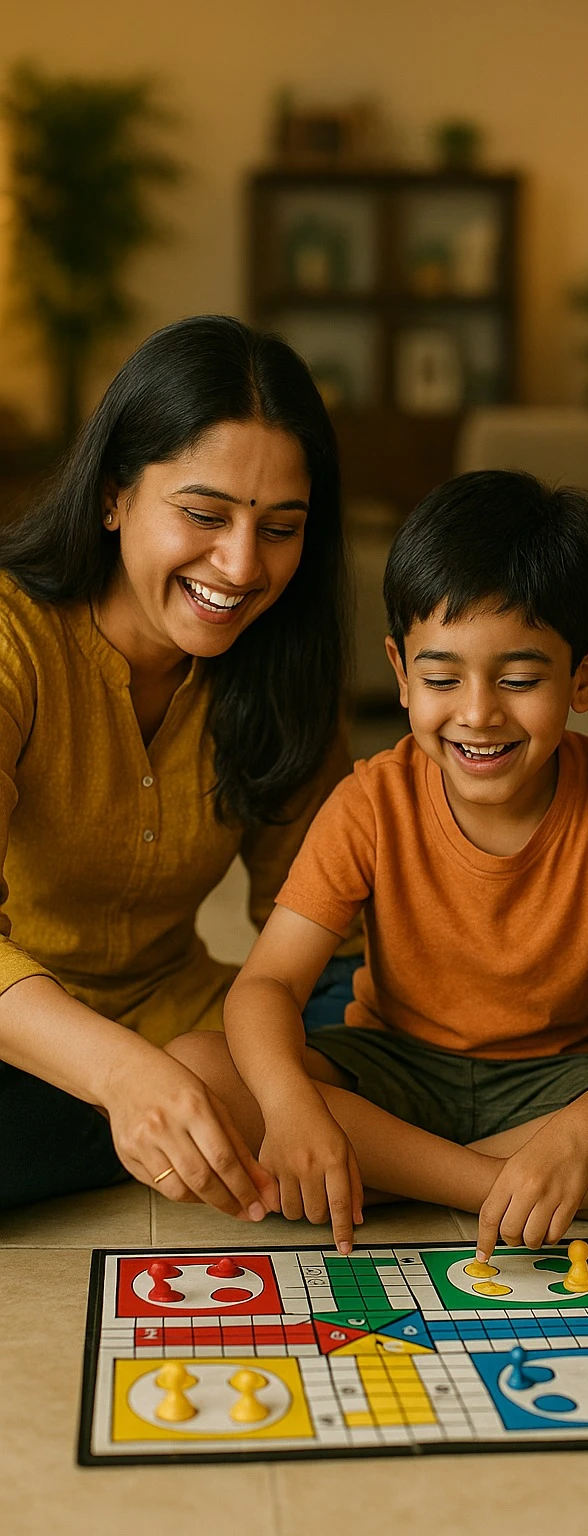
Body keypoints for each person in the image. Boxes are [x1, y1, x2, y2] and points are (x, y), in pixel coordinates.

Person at [170, 469, 588, 1256]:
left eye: (519, 678)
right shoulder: (372, 799)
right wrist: (294, 1106)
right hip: (398, 1074)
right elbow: (267, 984)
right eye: (442, 678)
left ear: (585, 676)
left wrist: (578, 1134)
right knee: (197, 1069)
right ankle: (504, 1191)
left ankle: (401, 1174)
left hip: (568, 1087)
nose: (478, 713)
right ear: (401, 676)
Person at [0, 314, 358, 1216]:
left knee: (357, 1064)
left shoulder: (285, 664)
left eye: (281, 527)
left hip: (185, 1020)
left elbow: (316, 925)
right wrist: (122, 1079)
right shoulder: (13, 640)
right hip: (26, 1031)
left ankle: (176, 1117)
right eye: (203, 515)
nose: (240, 567)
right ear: (114, 494)